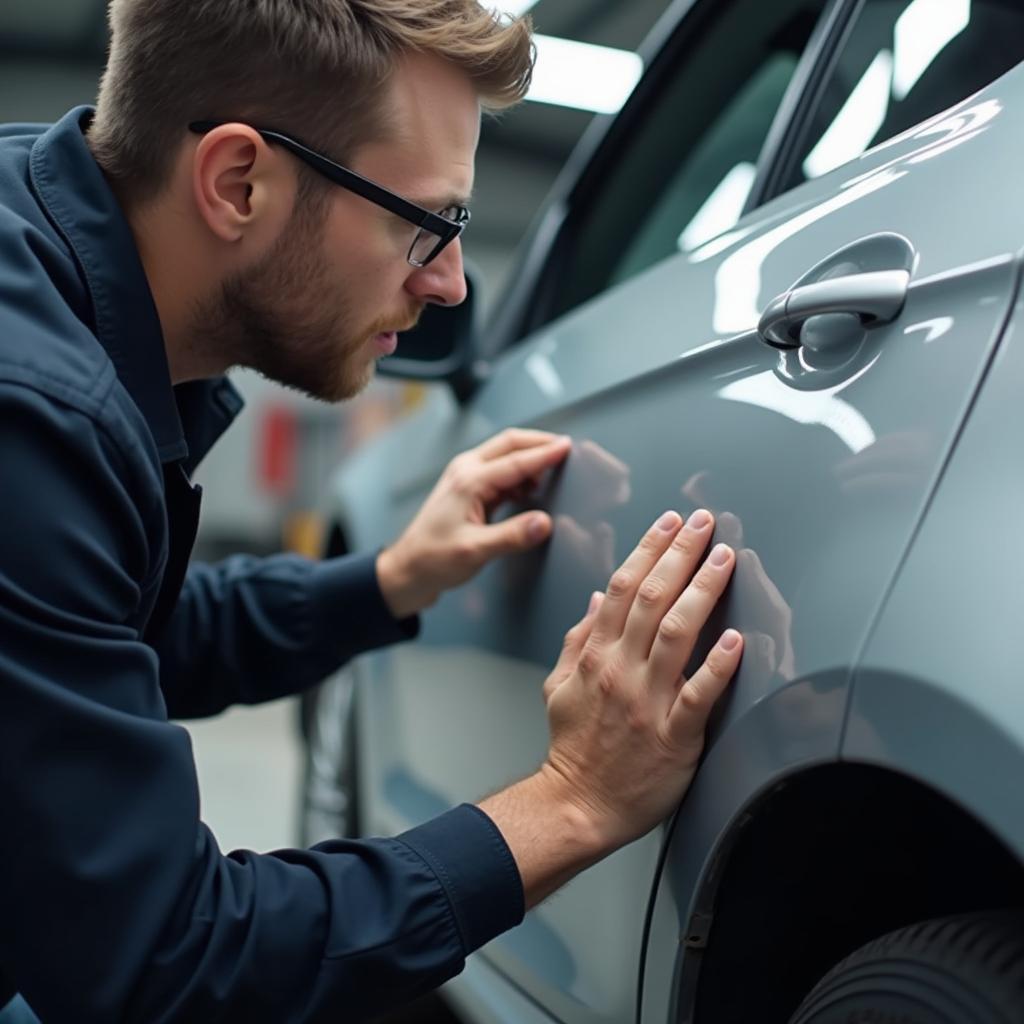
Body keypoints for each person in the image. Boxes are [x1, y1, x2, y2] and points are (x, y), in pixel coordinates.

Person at [0, 1, 744, 1021]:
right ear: (237, 182)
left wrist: (393, 579)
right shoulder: (31, 415)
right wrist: (572, 798)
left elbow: (110, 642)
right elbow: (162, 961)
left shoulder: (37, 239)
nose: (445, 283)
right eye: (424, 224)